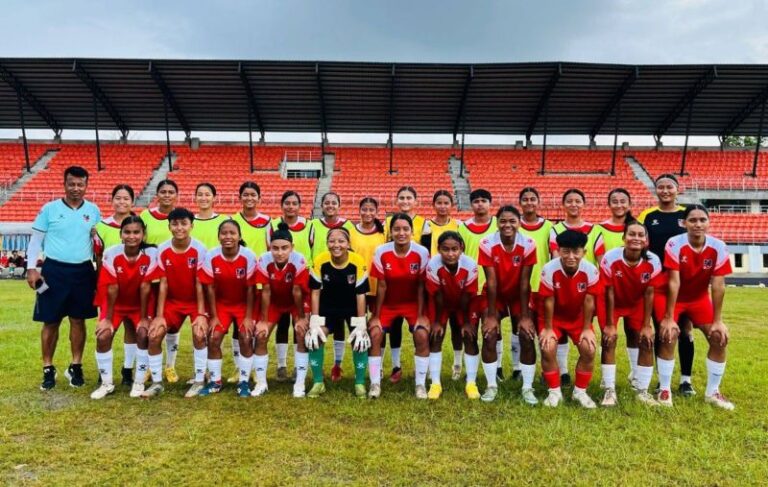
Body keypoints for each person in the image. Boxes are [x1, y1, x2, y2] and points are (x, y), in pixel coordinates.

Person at [27, 166, 101, 391]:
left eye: (80, 184)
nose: (76, 188)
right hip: (53, 271)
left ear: (86, 186)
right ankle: (48, 368)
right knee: (51, 320)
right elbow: (35, 240)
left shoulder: (94, 210)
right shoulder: (49, 209)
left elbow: (98, 242)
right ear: (64, 184)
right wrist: (31, 268)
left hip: (83, 271)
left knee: (78, 320)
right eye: (72, 184)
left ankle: (75, 365)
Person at [657, 205, 734, 410]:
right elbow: (673, 282)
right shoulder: (674, 243)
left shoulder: (718, 246)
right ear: (684, 223)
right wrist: (669, 317)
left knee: (718, 337)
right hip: (672, 297)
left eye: (702, 220)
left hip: (698, 298)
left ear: (709, 222)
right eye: (692, 220)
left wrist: (718, 321)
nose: (698, 224)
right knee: (669, 334)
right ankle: (664, 390)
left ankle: (712, 392)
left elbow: (718, 285)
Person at [637, 174, 696, 397]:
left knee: (686, 330)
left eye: (669, 187)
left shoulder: (686, 214)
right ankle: (663, 381)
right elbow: (641, 245)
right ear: (656, 190)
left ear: (677, 190)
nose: (665, 190)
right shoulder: (648, 215)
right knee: (662, 329)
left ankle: (686, 380)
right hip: (659, 280)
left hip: (685, 280)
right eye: (660, 187)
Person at [141, 208, 208, 398]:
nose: (179, 228)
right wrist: (159, 316)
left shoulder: (200, 249)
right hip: (172, 302)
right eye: (175, 224)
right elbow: (163, 283)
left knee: (199, 333)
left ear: (191, 225)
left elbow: (199, 283)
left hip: (195, 302)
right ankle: (156, 383)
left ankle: (199, 380)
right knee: (154, 335)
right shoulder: (162, 249)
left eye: (184, 223)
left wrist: (201, 314)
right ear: (169, 226)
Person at [90, 217, 157, 399]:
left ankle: (139, 381)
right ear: (120, 234)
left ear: (143, 234)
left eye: (136, 232)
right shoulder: (111, 253)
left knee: (143, 334)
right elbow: (112, 288)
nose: (131, 236)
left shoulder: (151, 254)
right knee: (103, 336)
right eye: (127, 232)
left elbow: (146, 287)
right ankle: (107, 384)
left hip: (140, 304)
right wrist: (107, 319)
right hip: (116, 304)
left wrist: (144, 318)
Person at [599, 221, 662, 407]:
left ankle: (642, 389)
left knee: (645, 339)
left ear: (646, 240)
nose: (636, 238)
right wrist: (610, 324)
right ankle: (609, 390)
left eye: (641, 235)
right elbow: (609, 291)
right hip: (612, 302)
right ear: (624, 237)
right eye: (632, 234)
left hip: (636, 302)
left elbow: (649, 293)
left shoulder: (653, 260)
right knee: (609, 339)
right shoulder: (611, 257)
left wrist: (647, 325)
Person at [477, 206, 537, 403]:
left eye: (512, 221)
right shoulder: (486, 243)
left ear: (519, 223)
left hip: (518, 295)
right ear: (497, 223)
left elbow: (525, 282)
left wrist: (525, 317)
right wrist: (491, 316)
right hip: (495, 295)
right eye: (503, 221)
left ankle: (527, 387)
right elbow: (491, 281)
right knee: (489, 334)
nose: (507, 225)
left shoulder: (529, 244)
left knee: (527, 335)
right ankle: (491, 385)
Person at [368, 213, 431, 399]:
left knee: (421, 334)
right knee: (375, 334)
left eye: (405, 229)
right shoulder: (381, 251)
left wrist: (421, 315)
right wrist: (376, 316)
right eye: (396, 229)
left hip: (412, 303)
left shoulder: (422, 252)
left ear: (412, 231)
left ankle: (420, 384)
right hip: (388, 304)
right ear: (390, 232)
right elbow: (381, 286)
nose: (401, 233)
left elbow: (421, 286)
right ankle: (375, 383)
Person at [538, 230, 602, 408]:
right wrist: (548, 329)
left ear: (584, 252)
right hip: (553, 317)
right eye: (566, 251)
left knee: (589, 349)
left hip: (578, 318)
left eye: (576, 251)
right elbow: (548, 301)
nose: (571, 256)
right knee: (547, 347)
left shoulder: (591, 270)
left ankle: (580, 391)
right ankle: (554, 391)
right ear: (558, 251)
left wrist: (587, 328)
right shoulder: (549, 269)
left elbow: (589, 301)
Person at [549, 188, 604, 385]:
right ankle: (563, 371)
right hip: (562, 287)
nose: (573, 204)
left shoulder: (595, 230)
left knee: (586, 332)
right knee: (560, 332)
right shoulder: (555, 229)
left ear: (584, 204)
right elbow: (556, 258)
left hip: (586, 289)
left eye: (577, 201)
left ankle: (593, 378)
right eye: (569, 201)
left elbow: (601, 261)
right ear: (563, 205)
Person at [307, 227, 370, 398]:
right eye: (332, 241)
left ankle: (359, 383)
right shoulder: (320, 260)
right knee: (315, 337)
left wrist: (361, 323)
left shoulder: (357, 261)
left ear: (348, 243)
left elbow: (360, 294)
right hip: (328, 308)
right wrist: (314, 320)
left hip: (352, 308)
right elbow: (315, 292)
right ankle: (318, 382)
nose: (336, 245)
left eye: (341, 241)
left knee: (360, 339)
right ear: (327, 243)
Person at [197, 219, 258, 397]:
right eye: (224, 233)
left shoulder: (248, 255)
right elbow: (209, 287)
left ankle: (244, 381)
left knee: (246, 337)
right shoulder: (212, 255)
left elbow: (251, 289)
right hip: (221, 305)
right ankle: (215, 381)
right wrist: (214, 316)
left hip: (243, 305)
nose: (228, 236)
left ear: (239, 236)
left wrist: (248, 317)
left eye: (232, 233)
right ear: (218, 236)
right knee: (214, 337)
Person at [253, 223, 310, 397]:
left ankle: (299, 383)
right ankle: (261, 383)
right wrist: (263, 321)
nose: (279, 252)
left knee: (301, 333)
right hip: (274, 302)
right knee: (260, 335)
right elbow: (266, 291)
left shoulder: (299, 260)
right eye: (275, 248)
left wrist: (301, 317)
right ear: (269, 247)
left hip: (295, 302)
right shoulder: (264, 259)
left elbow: (297, 291)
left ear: (292, 247)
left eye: (284, 248)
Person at [425, 231, 478, 400]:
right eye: (445, 249)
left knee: (469, 336)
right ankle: (435, 383)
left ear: (461, 248)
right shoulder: (433, 264)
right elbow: (437, 295)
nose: (450, 254)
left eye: (454, 249)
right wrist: (437, 321)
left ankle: (471, 383)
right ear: (438, 249)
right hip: (441, 303)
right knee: (436, 335)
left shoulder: (470, 264)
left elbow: (467, 295)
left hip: (464, 303)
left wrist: (466, 322)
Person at [228, 181, 271, 384]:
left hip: (260, 280)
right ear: (240, 198)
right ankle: (240, 367)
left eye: (253, 195)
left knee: (255, 325)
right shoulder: (232, 221)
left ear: (259, 198)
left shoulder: (268, 222)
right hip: (237, 281)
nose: (249, 198)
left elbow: (271, 250)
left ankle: (254, 368)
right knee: (238, 326)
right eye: (245, 194)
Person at [458, 188, 503, 380]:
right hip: (469, 286)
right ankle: (471, 373)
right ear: (471, 204)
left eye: (484, 200)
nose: (480, 204)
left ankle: (498, 368)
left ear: (490, 203)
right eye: (476, 201)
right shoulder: (462, 228)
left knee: (493, 329)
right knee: (470, 332)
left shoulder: (498, 226)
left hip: (492, 286)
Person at [383, 186, 427, 383]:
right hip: (393, 279)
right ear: (397, 200)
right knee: (394, 325)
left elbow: (426, 251)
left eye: (409, 197)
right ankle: (396, 365)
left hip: (414, 280)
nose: (405, 201)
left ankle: (421, 369)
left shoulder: (424, 223)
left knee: (419, 327)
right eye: (402, 197)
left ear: (416, 201)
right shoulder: (387, 222)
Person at [311, 192, 355, 382]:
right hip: (322, 279)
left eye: (333, 202)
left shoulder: (348, 225)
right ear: (322, 205)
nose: (330, 205)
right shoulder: (313, 224)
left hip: (343, 280)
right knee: (328, 323)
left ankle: (338, 365)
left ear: (339, 205)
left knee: (342, 324)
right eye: (326, 202)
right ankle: (319, 369)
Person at [270, 191, 314, 381]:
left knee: (299, 324)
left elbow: (312, 250)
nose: (290, 206)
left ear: (299, 206)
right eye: (287, 203)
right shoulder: (272, 225)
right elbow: (270, 251)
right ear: (281, 205)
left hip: (301, 280)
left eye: (294, 203)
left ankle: (298, 365)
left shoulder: (309, 225)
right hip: (280, 281)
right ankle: (281, 365)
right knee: (282, 324)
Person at [420, 190, 463, 380]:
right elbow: (424, 252)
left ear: (452, 205)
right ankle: (431, 366)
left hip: (454, 281)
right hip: (434, 279)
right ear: (433, 205)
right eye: (439, 202)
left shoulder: (458, 225)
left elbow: (461, 252)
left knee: (457, 326)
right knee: (436, 325)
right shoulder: (427, 226)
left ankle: (457, 365)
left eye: (446, 203)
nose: (443, 206)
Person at [517, 187, 553, 381]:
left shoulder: (548, 227)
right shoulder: (514, 225)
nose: (529, 202)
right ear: (520, 202)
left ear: (538, 202)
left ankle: (548, 371)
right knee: (523, 332)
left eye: (533, 199)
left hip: (543, 287)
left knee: (544, 332)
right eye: (525, 199)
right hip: (522, 287)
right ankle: (521, 371)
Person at [94, 184, 136, 257]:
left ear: (132, 202)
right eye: (118, 198)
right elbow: (98, 256)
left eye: (126, 199)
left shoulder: (140, 225)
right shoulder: (101, 226)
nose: (121, 202)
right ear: (112, 200)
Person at [140, 179, 178, 246]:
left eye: (171, 192)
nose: (167, 195)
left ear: (176, 195)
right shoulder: (145, 215)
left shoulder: (182, 216)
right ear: (157, 195)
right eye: (163, 192)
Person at [191, 182, 228, 250]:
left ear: (214, 198)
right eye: (200, 195)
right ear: (195, 198)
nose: (203, 198)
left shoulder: (225, 221)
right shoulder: (189, 222)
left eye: (207, 195)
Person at [598, 188, 633, 253]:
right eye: (615, 202)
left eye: (623, 202)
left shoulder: (637, 227)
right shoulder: (598, 229)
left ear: (629, 204)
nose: (619, 205)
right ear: (609, 204)